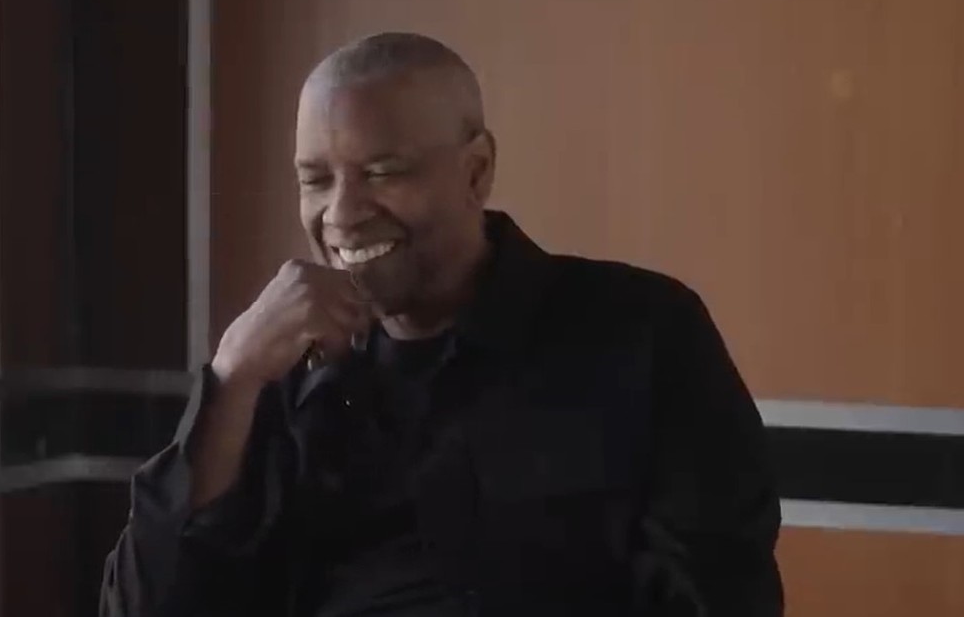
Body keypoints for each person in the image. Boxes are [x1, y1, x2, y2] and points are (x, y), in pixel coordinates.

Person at [100, 32, 782, 616]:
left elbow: (718, 595)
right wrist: (232, 376)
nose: (341, 214)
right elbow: (141, 608)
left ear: (476, 172)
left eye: (382, 172)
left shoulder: (643, 333)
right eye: (316, 180)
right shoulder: (281, 375)